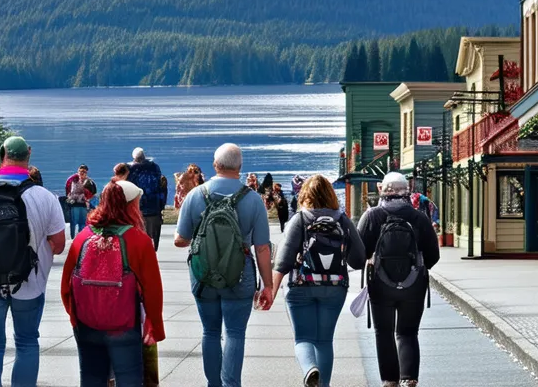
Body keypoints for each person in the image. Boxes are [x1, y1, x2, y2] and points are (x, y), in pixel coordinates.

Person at [0, 136, 66, 387]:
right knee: (27, 341)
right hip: (29, 282)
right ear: (29, 154)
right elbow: (59, 245)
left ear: (2, 154)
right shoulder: (44, 196)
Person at [174, 143, 274, 387]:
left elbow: (180, 240)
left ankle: (213, 384)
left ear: (215, 165)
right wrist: (268, 286)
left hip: (203, 275)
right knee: (235, 333)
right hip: (240, 275)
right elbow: (262, 247)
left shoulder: (195, 195)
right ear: (239, 167)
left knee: (210, 332)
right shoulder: (253, 200)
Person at [61, 181, 165, 387]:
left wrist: (76, 318)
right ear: (129, 206)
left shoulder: (83, 238)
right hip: (124, 326)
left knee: (91, 379)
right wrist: (155, 327)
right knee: (129, 379)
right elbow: (153, 290)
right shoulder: (139, 241)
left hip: (87, 325)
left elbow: (66, 286)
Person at [271, 175, 366, 387]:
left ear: (305, 195)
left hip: (301, 287)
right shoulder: (342, 220)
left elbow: (283, 261)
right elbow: (359, 259)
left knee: (303, 338)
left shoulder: (300, 219)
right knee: (324, 341)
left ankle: (310, 369)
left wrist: (271, 290)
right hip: (334, 287)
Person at [357, 172, 440, 387]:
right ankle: (409, 377)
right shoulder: (419, 217)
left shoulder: (372, 216)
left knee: (383, 332)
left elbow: (357, 256)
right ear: (407, 191)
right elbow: (433, 256)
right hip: (414, 284)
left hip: (380, 284)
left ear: (382, 190)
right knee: (408, 332)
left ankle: (390, 380)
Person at [128, 148, 166, 250]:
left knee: (137, 241)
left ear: (134, 158)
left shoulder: (130, 169)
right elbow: (161, 187)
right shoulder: (154, 167)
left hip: (136, 210)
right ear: (144, 156)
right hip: (154, 208)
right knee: (153, 241)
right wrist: (161, 206)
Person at [66, 165, 92, 238]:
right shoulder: (73, 180)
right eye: (80, 171)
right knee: (73, 223)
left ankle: (81, 238)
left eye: (84, 172)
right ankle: (72, 238)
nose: (82, 173)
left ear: (86, 173)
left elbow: (91, 193)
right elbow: (71, 193)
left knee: (82, 223)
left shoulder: (89, 182)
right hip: (74, 204)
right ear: (78, 171)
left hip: (84, 205)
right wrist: (81, 196)